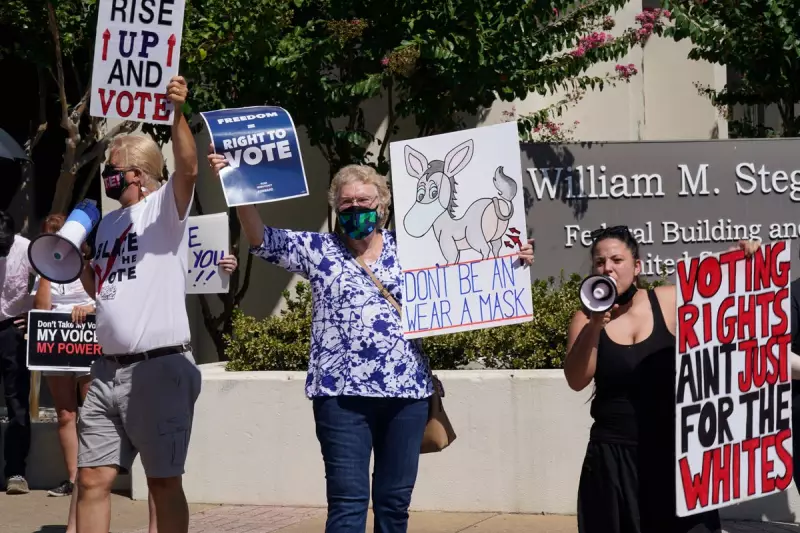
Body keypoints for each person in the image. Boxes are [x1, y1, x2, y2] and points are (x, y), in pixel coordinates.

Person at [207, 151, 534, 533]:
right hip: (341, 398)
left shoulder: (414, 247)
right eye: (347, 202)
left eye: (365, 201)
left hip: (407, 396)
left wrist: (515, 258)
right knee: (347, 504)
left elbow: (472, 269)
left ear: (382, 205)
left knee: (394, 504)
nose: (356, 207)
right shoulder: (320, 250)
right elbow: (261, 239)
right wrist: (238, 185)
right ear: (335, 206)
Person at [564, 225, 760, 533]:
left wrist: (744, 254)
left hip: (671, 453)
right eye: (600, 262)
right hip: (612, 459)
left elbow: (716, 285)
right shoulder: (585, 318)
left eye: (617, 259)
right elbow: (576, 379)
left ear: (637, 265)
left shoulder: (667, 301)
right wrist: (595, 325)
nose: (609, 268)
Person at [75, 75, 201, 533]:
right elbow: (105, 290)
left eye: (112, 166)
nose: (107, 175)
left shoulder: (163, 208)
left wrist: (177, 113)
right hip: (106, 369)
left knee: (164, 482)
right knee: (91, 479)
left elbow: (187, 170)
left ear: (136, 173)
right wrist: (78, 266)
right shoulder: (109, 225)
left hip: (157, 368)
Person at [32, 214, 96, 502]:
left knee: (92, 411)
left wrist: (87, 309)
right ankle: (74, 479)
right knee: (65, 414)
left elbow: (104, 298)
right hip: (56, 346)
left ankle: (93, 473)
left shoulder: (88, 267)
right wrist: (46, 270)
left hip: (87, 343)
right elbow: (42, 308)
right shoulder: (44, 272)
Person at [0, 210, 34, 495]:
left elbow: (56, 279)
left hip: (13, 329)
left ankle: (16, 472)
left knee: (17, 402)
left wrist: (33, 308)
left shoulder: (25, 248)